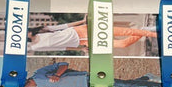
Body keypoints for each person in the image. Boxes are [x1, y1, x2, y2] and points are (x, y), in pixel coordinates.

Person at [25, 62, 161, 87]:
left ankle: (160, 86)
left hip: (87, 79)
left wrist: (57, 74)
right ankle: (146, 78)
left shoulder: (39, 73)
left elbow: (63, 64)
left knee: (128, 85)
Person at [27, 15, 157, 52]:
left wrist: (82, 21)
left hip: (81, 30)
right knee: (123, 44)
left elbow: (63, 26)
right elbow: (61, 48)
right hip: (85, 41)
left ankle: (154, 33)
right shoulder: (35, 47)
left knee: (126, 31)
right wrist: (81, 49)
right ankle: (143, 31)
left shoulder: (41, 30)